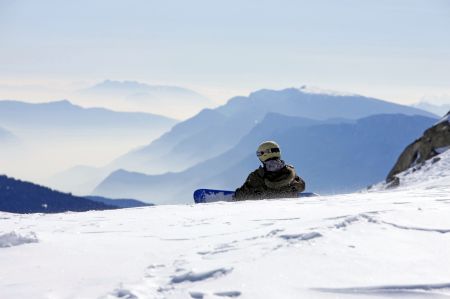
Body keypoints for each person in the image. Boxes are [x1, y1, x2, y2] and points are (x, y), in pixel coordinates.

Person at [234, 141, 305, 200]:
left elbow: (239, 196)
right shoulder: (290, 171)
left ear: (263, 155)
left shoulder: (257, 176)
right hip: (289, 210)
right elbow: (302, 186)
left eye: (259, 154)